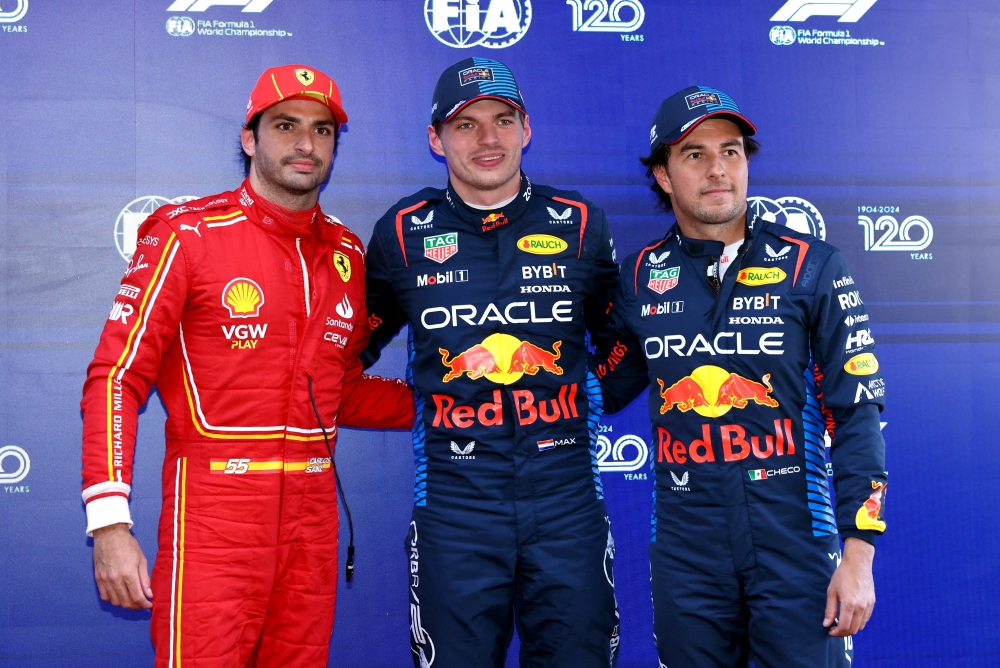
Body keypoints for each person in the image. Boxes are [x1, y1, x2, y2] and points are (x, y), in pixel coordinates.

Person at [80, 64, 413, 667]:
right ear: (249, 136)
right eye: (286, 125)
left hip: (313, 522)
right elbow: (117, 376)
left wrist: (455, 401)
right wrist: (108, 522)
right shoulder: (187, 234)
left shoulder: (347, 253)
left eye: (322, 130)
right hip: (214, 519)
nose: (306, 144)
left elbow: (340, 391)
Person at [592, 86, 887, 667]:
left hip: (795, 539)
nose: (718, 170)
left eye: (731, 151)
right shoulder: (636, 279)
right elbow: (604, 386)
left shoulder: (813, 264)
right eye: (695, 155)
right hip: (685, 548)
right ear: (663, 176)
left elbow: (856, 412)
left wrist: (858, 554)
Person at [362, 58, 620, 667]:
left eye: (503, 120)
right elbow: (348, 350)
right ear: (435, 139)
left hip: (567, 500)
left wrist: (581, 396)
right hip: (455, 507)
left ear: (526, 129)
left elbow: (628, 341)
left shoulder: (580, 223)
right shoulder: (401, 232)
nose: (488, 139)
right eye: (466, 125)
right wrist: (430, 403)